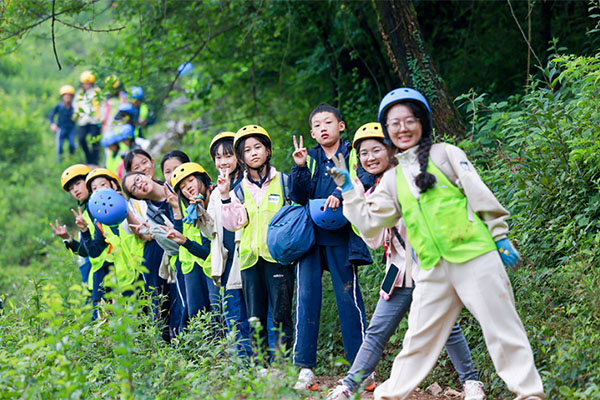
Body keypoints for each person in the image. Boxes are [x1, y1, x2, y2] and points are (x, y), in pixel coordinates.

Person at [329, 88, 545, 400]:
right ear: (387, 130)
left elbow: (478, 192)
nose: (403, 128)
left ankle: (529, 394)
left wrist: (499, 235)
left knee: (501, 327)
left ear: (423, 122)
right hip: (430, 267)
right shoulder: (391, 179)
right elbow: (371, 225)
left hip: (474, 255)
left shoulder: (446, 154)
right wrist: (349, 190)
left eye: (410, 120)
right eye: (394, 123)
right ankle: (389, 395)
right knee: (417, 340)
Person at [327, 123, 485, 400]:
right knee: (377, 331)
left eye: (376, 149)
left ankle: (471, 383)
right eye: (364, 153)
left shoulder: (414, 177)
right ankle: (349, 386)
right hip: (399, 272)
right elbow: (374, 240)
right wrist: (354, 196)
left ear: (391, 149)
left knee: (448, 328)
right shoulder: (373, 191)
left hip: (431, 266)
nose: (370, 157)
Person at [290, 103, 373, 390]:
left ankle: (362, 368)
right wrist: (299, 168)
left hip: (342, 237)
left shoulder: (351, 154)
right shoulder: (309, 158)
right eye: (317, 124)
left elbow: (365, 177)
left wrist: (340, 191)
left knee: (349, 300)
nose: (323, 127)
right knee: (306, 298)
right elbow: (298, 196)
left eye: (328, 122)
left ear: (341, 126)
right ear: (312, 133)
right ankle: (305, 368)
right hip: (311, 238)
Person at [218, 125, 295, 359]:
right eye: (247, 150)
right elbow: (234, 223)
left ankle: (282, 364)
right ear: (241, 158)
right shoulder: (238, 189)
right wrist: (224, 196)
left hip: (279, 257)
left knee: (281, 313)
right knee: (256, 316)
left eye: (258, 147)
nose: (253, 153)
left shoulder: (283, 182)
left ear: (268, 150)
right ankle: (261, 366)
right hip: (251, 260)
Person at [205, 132, 252, 356]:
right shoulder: (215, 193)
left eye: (228, 155)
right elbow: (211, 231)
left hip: (249, 255)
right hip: (227, 260)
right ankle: (243, 363)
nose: (223, 161)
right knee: (234, 314)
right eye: (218, 157)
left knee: (255, 312)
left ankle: (265, 362)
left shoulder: (249, 183)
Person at [121, 168, 182, 340]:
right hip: (174, 258)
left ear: (148, 174)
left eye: (138, 179)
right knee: (164, 303)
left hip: (194, 255)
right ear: (137, 198)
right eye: (134, 188)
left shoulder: (176, 188)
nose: (139, 184)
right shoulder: (149, 213)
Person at [76, 168, 142, 319]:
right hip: (125, 281)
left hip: (143, 270)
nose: (99, 190)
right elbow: (94, 251)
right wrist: (85, 230)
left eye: (102, 185)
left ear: (113, 185)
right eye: (94, 189)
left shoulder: (133, 203)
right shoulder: (101, 222)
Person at [50, 164, 93, 285]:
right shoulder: (85, 214)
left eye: (78, 183)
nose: (75, 190)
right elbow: (85, 251)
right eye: (71, 188)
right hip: (97, 277)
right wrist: (67, 239)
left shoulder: (101, 206)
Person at [73, 71, 102, 165]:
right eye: (85, 83)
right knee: (81, 139)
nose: (86, 85)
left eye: (88, 83)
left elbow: (102, 104)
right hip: (83, 120)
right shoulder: (79, 93)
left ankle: (95, 160)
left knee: (95, 140)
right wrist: (76, 114)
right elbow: (76, 105)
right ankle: (88, 157)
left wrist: (102, 117)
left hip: (95, 120)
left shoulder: (97, 91)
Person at [49, 85, 77, 163]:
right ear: (62, 97)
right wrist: (52, 124)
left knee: (72, 145)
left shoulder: (74, 107)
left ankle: (72, 160)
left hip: (71, 129)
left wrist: (76, 117)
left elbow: (78, 116)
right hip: (61, 128)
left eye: (69, 96)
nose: (67, 97)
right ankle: (60, 163)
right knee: (60, 147)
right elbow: (51, 115)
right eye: (66, 96)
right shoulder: (59, 106)